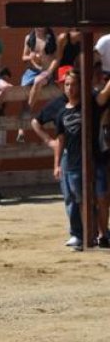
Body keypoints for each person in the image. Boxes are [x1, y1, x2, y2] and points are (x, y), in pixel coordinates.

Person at [48, 67, 110, 249]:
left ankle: (103, 234)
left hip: (95, 159)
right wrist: (57, 164)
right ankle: (88, 236)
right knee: (82, 201)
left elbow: (105, 94)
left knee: (101, 197)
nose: (70, 88)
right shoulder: (61, 113)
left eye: (74, 84)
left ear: (81, 87)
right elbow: (60, 140)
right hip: (74, 163)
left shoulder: (90, 103)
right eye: (67, 85)